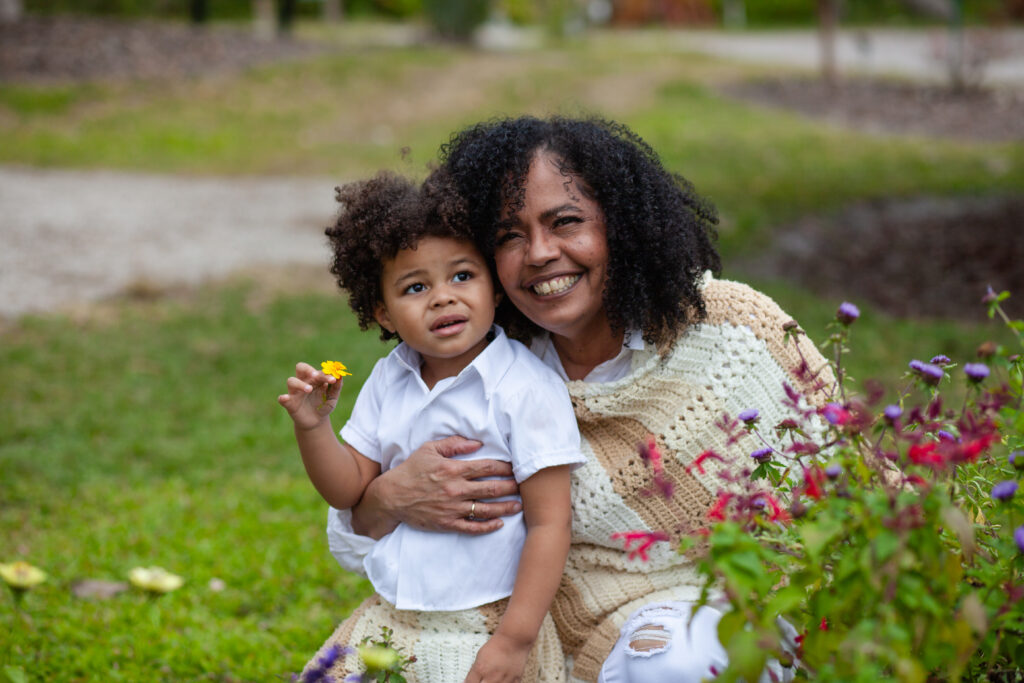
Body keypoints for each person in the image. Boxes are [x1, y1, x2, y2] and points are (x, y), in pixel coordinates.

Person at [306, 117, 831, 683]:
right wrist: (390, 497)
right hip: (535, 630)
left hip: (717, 610)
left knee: (672, 665)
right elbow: (357, 530)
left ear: (621, 224)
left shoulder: (726, 331)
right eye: (508, 235)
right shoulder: (479, 357)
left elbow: (844, 490)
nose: (539, 253)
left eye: (567, 222)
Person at [280, 172, 586, 682]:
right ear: (384, 312)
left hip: (491, 621)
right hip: (394, 615)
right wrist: (314, 428)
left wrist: (515, 641)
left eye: (462, 276)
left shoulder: (523, 387)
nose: (443, 298)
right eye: (416, 287)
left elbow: (551, 523)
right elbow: (348, 489)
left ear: (494, 285)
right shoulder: (388, 378)